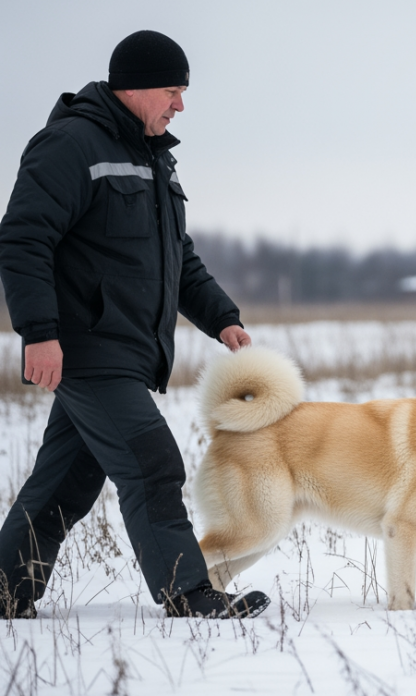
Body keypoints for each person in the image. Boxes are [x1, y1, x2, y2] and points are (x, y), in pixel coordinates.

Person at [0, 30, 269, 619]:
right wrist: (39, 333)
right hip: (85, 347)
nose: (180, 104)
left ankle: (5, 589)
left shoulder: (155, 157)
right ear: (137, 87)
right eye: (173, 90)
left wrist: (222, 318)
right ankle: (188, 592)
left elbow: (179, 257)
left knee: (65, 482)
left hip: (127, 349)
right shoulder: (69, 145)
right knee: (151, 460)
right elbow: (23, 238)